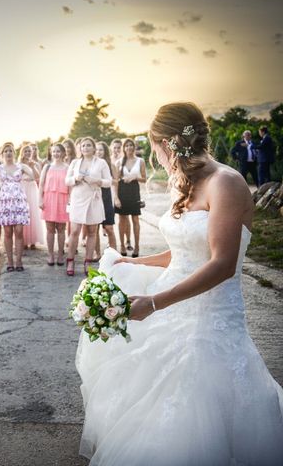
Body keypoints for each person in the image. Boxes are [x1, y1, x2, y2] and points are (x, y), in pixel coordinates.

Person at [75, 101, 283, 465]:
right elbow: (183, 252)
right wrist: (132, 261)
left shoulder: (227, 183)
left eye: (155, 147)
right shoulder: (185, 183)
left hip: (209, 315)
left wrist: (154, 302)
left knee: (194, 408)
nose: (155, 156)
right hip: (173, 304)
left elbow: (221, 264)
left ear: (167, 143)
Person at [64, 137, 112, 276]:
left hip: (94, 199)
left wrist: (97, 180)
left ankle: (88, 262)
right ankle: (70, 260)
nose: (85, 148)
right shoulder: (75, 162)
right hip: (78, 199)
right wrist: (75, 179)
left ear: (94, 148)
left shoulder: (101, 163)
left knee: (92, 232)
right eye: (83, 145)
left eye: (89, 145)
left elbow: (108, 182)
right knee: (74, 231)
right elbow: (67, 181)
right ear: (80, 148)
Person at [0, 142, 35, 271]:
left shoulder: (21, 166)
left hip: (19, 202)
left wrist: (30, 166)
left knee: (19, 232)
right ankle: (9, 262)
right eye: (6, 151)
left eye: (10, 151)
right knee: (8, 232)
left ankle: (19, 262)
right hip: (5, 203)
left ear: (14, 153)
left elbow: (32, 176)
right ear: (2, 154)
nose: (8, 153)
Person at [114, 138, 146, 258]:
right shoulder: (119, 162)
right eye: (126, 146)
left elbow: (144, 179)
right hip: (122, 191)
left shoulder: (140, 161)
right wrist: (116, 198)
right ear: (124, 148)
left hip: (134, 191)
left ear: (134, 147)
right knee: (122, 220)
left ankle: (136, 246)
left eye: (131, 145)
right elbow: (115, 182)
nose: (129, 148)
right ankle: (122, 245)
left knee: (135, 220)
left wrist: (134, 177)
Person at [39, 143, 70, 266]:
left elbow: (71, 186)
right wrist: (40, 200)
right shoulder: (47, 167)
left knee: (61, 229)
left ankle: (61, 255)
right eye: (54, 152)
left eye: (58, 151)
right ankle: (51, 255)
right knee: (50, 228)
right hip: (49, 199)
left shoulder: (68, 168)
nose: (56, 154)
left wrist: (70, 200)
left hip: (63, 199)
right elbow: (41, 185)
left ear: (63, 153)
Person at [18, 143, 44, 249]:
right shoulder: (18, 164)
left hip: (32, 188)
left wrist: (33, 167)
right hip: (22, 188)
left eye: (29, 151)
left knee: (33, 213)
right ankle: (23, 240)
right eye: (26, 151)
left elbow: (38, 177)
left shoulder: (34, 163)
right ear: (22, 153)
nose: (28, 153)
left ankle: (33, 241)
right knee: (23, 213)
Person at [94, 141, 117, 258]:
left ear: (105, 151)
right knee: (95, 228)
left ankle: (114, 254)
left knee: (109, 227)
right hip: (94, 197)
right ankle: (97, 253)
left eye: (101, 150)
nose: (98, 152)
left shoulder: (110, 165)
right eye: (97, 150)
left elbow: (116, 181)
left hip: (107, 196)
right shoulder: (91, 164)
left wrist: (117, 198)